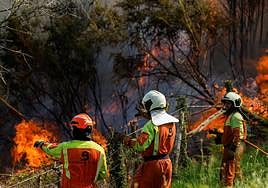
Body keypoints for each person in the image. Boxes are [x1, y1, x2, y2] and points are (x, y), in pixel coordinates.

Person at [34, 113, 108, 188]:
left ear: (76, 130)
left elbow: (50, 149)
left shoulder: (66, 147)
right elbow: (103, 173)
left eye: (73, 128)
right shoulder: (99, 150)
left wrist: (42, 144)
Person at [124, 90, 179, 188]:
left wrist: (127, 141)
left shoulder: (151, 125)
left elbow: (140, 146)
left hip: (152, 166)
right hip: (167, 163)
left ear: (149, 106)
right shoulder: (172, 123)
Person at [220, 92, 247, 187]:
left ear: (235, 104)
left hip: (233, 147)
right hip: (229, 146)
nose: (225, 106)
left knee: (229, 169)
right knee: (227, 169)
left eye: (228, 103)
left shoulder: (235, 116)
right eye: (225, 103)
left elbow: (238, 134)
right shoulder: (231, 116)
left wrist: (233, 147)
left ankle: (229, 186)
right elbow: (230, 133)